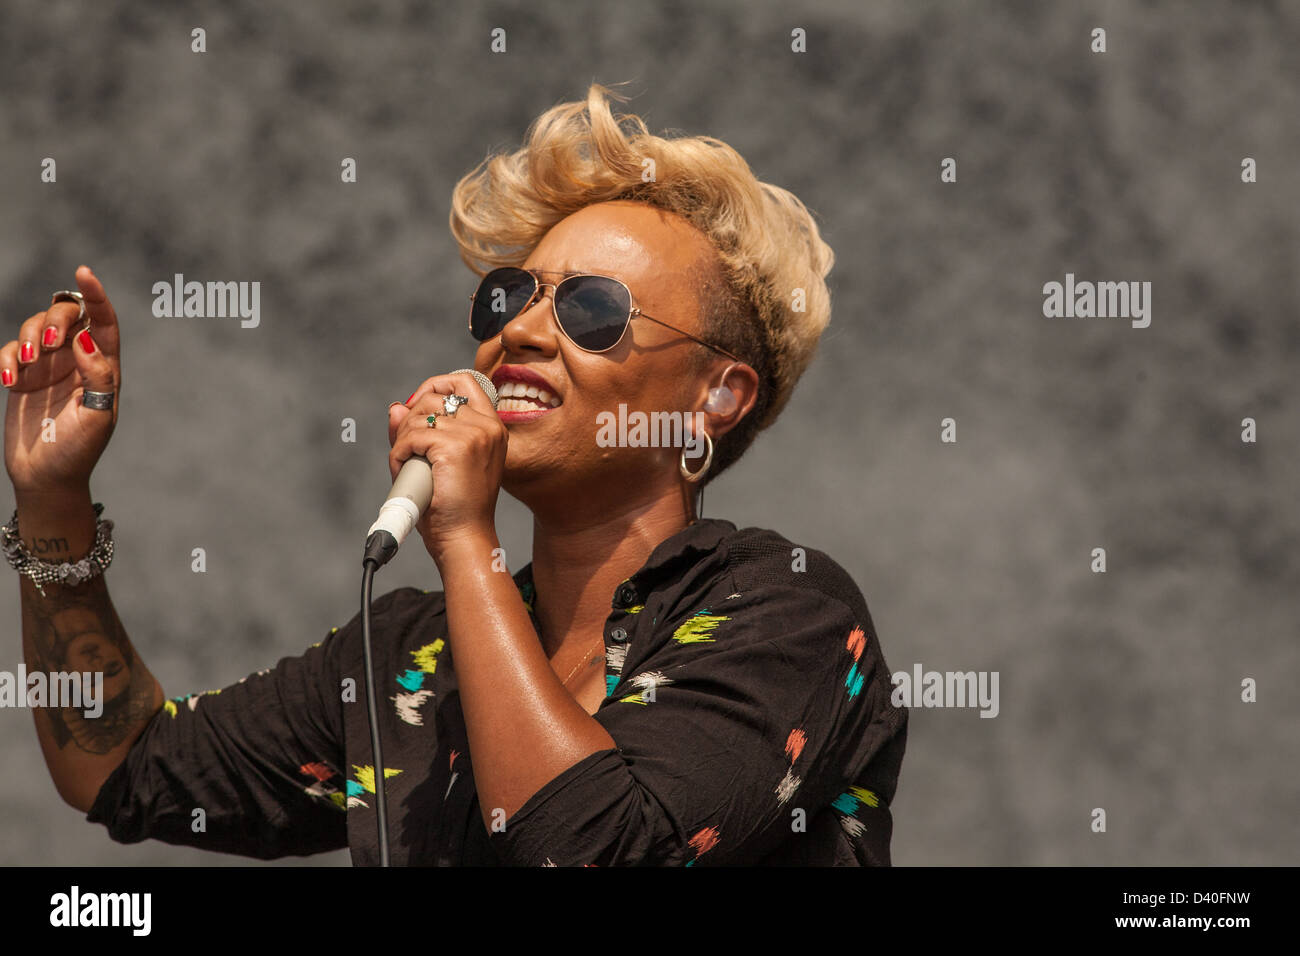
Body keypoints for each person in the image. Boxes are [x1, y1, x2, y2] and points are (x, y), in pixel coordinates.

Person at [3, 83, 907, 866]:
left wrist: (467, 544)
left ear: (717, 396)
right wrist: (52, 500)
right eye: (510, 296)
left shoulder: (791, 613)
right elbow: (120, 765)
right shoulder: (409, 661)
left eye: (593, 309)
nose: (519, 331)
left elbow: (592, 847)